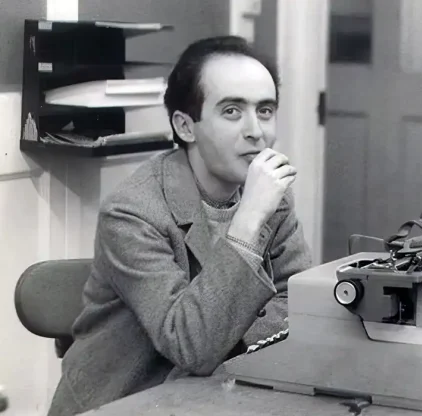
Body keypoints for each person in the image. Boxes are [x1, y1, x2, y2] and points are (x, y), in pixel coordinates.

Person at [47, 36, 312, 416]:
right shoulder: (131, 212)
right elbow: (191, 346)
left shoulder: (273, 198)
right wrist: (248, 220)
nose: (256, 131)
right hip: (122, 404)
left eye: (265, 110)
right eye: (232, 111)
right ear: (185, 127)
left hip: (218, 397)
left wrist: (226, 341)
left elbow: (298, 303)